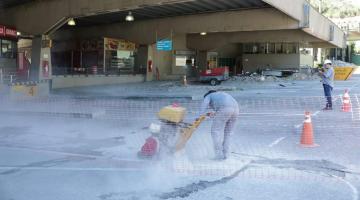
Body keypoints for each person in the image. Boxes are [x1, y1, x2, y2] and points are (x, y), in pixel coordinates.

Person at [200, 90, 239, 160]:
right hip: (236, 109)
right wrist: (214, 114)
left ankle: (218, 154)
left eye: (210, 104)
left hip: (225, 108)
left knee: (215, 131)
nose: (210, 106)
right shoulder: (221, 94)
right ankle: (226, 154)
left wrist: (199, 116)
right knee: (228, 133)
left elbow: (204, 105)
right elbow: (224, 108)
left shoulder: (208, 96)